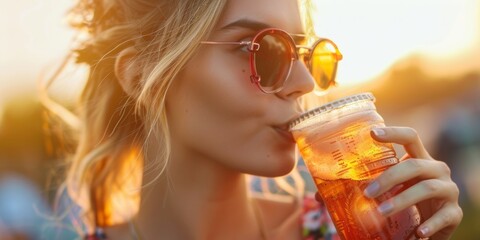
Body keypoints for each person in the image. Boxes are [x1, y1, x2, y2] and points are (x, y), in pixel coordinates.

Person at [49, 0, 462, 239]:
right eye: (263, 51)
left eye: (305, 54)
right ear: (143, 77)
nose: (304, 83)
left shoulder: (345, 232)